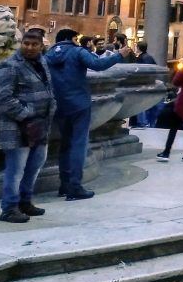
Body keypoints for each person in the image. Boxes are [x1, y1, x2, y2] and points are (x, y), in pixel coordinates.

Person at [47, 28, 127, 199]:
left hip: (59, 105)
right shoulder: (77, 52)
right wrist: (119, 55)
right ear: (72, 38)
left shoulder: (48, 54)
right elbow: (98, 65)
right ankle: (75, 186)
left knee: (65, 145)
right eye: (77, 38)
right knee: (78, 144)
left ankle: (64, 184)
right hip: (79, 104)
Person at [0, 28, 56, 223]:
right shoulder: (9, 65)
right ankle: (9, 208)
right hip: (18, 128)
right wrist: (27, 113)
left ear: (41, 46)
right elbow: (3, 98)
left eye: (34, 44)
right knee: (15, 170)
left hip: (40, 126)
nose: (29, 47)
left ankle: (25, 201)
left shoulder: (42, 62)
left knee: (34, 166)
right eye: (26, 44)